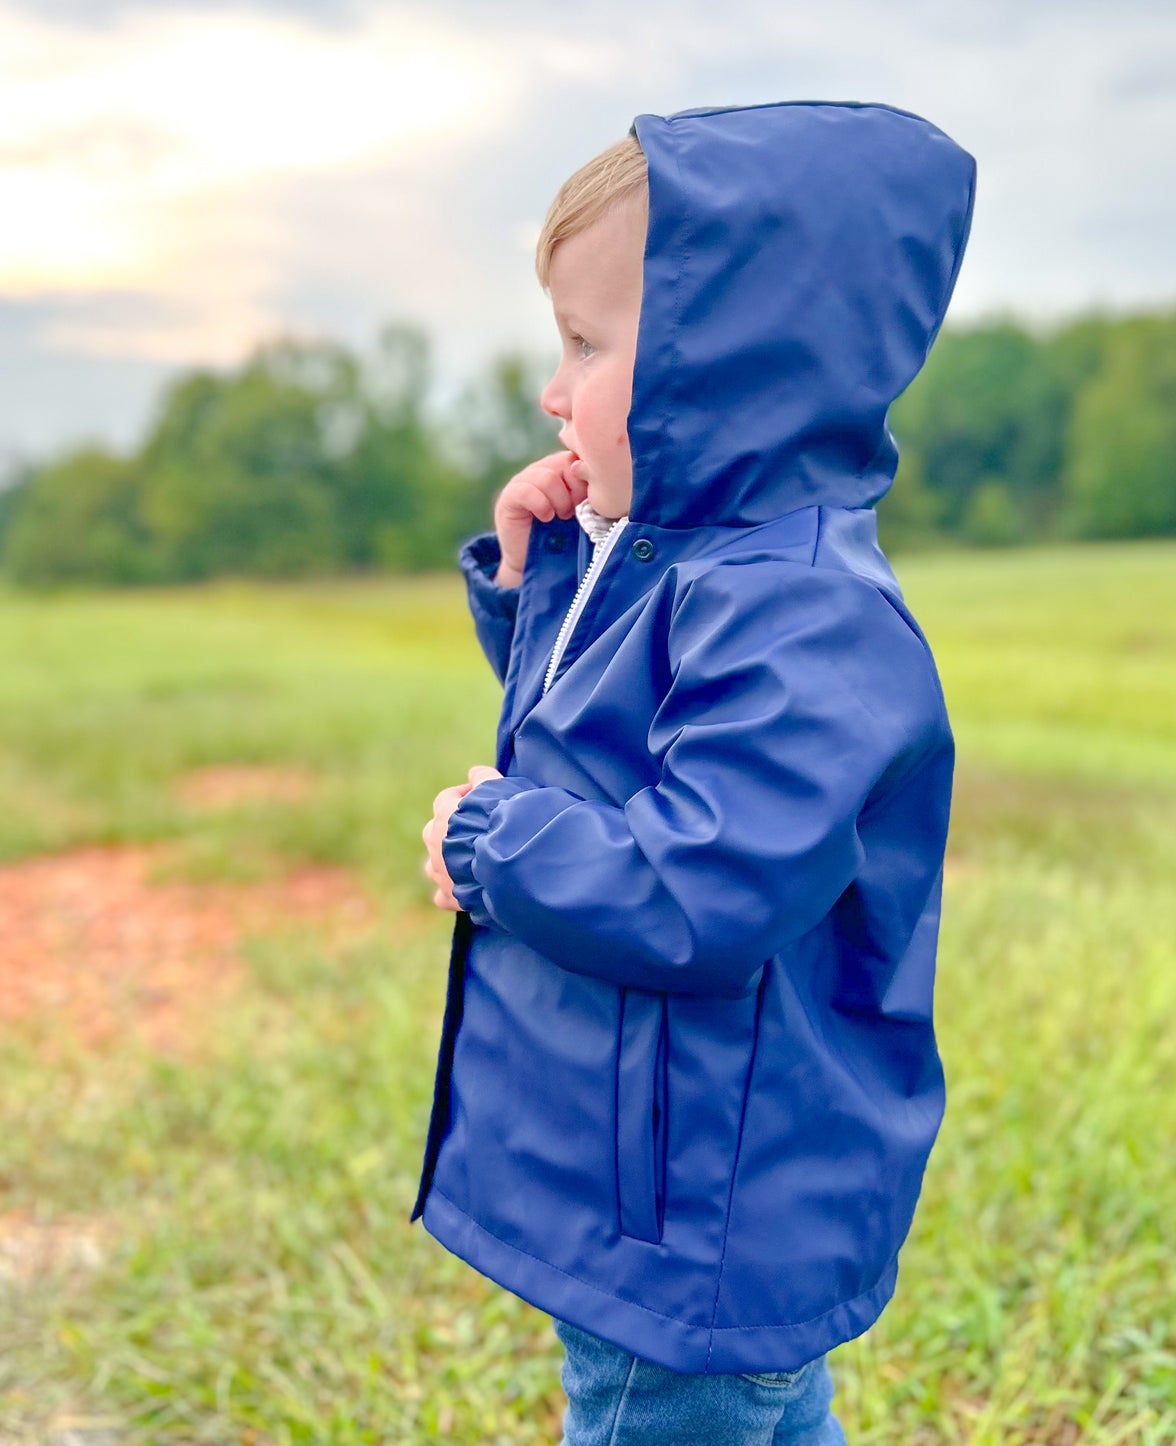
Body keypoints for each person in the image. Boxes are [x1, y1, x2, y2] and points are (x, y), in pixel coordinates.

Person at [416, 100, 976, 1444]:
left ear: (718, 366)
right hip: (685, 1181)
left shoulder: (797, 610)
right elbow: (600, 738)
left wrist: (493, 842)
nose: (553, 391)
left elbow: (693, 884)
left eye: (588, 345)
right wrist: (537, 576)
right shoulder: (708, 569)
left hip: (697, 1206)